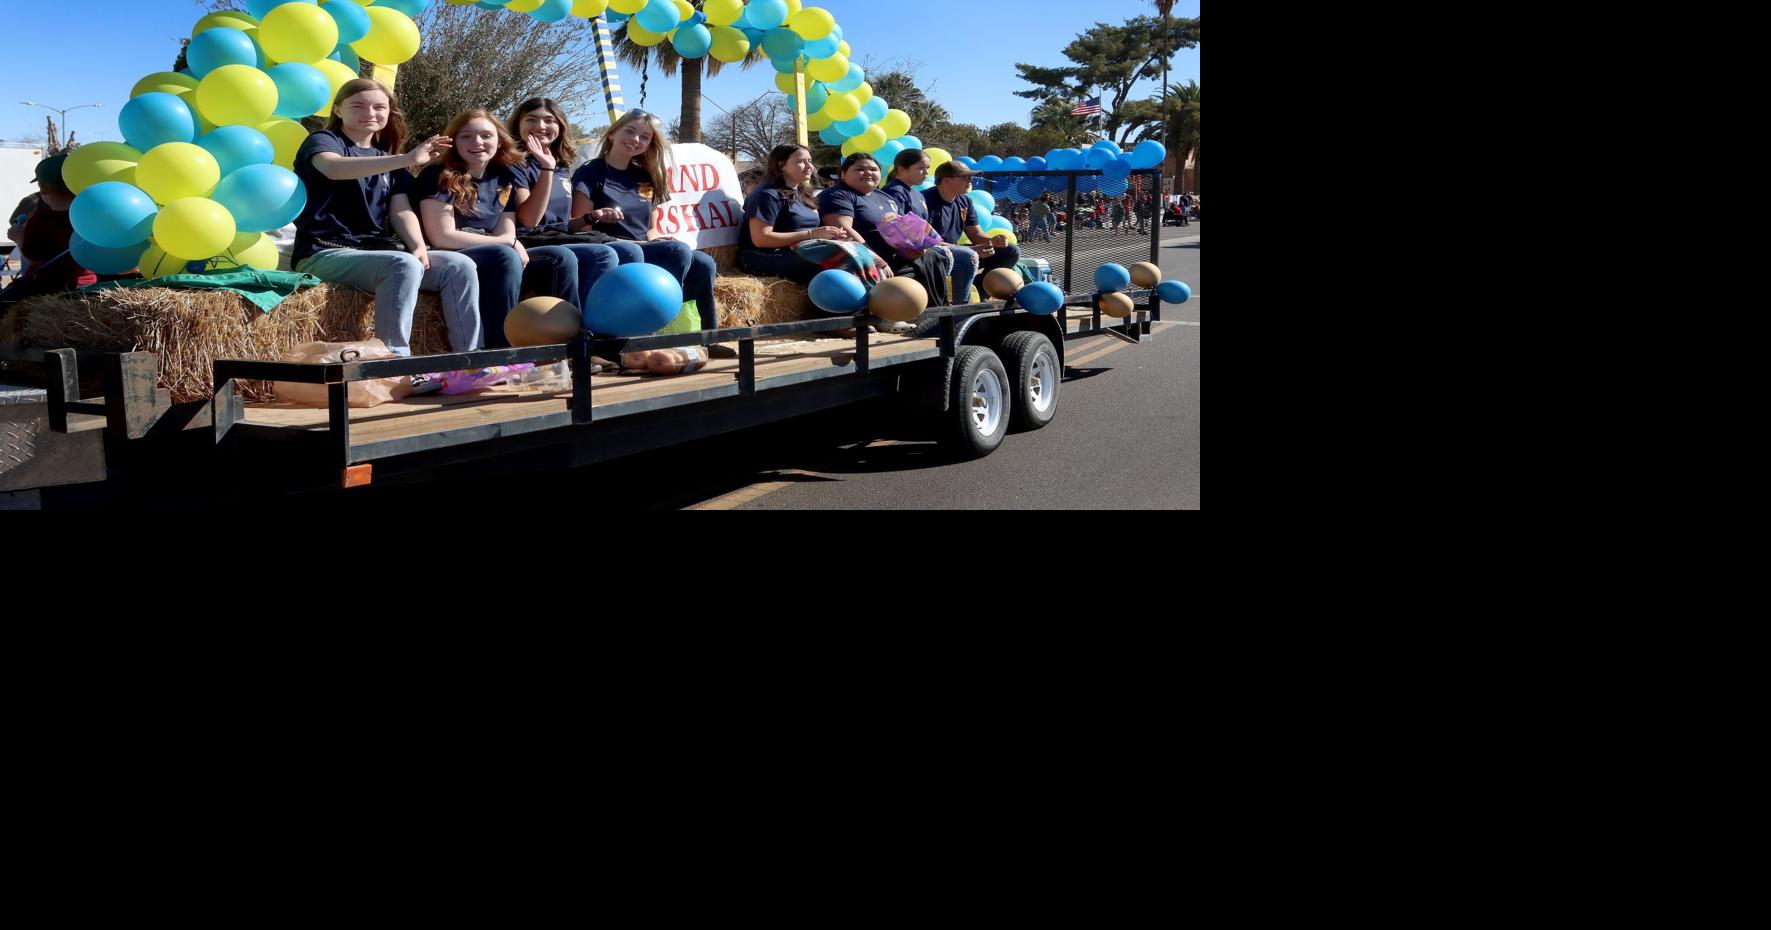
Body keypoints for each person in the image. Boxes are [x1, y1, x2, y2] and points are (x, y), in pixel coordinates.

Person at [290, 79, 482, 360]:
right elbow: (332, 168)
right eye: (358, 106)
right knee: (401, 264)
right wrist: (407, 159)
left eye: (379, 107)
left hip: (374, 254)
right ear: (338, 110)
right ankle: (395, 361)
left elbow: (401, 210)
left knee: (459, 265)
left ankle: (469, 361)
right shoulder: (323, 142)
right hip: (324, 252)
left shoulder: (388, 160)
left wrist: (418, 245)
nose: (370, 112)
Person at [569, 109, 719, 333]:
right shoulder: (590, 172)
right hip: (609, 246)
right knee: (676, 251)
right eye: (629, 131)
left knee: (703, 263)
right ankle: (664, 327)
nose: (635, 140)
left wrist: (658, 238)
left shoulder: (647, 176)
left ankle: (708, 336)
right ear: (612, 134)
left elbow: (651, 228)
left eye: (644, 137)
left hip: (643, 245)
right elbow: (582, 228)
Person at [506, 97, 630, 325]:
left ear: (560, 126)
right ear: (518, 126)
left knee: (628, 251)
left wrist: (590, 217)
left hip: (553, 237)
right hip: (526, 242)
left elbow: (559, 225)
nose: (541, 126)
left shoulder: (561, 165)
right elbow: (530, 221)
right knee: (601, 254)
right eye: (531, 119)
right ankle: (585, 332)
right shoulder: (513, 164)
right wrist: (546, 168)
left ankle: (623, 328)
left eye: (549, 120)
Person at [414, 109, 531, 349]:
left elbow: (506, 232)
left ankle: (564, 346)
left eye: (486, 136)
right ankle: (501, 349)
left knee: (561, 258)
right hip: (440, 253)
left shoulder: (503, 177)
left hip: (484, 249)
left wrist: (510, 241)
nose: (477, 142)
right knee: (504, 256)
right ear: (454, 142)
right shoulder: (439, 174)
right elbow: (442, 237)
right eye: (466, 136)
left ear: (499, 141)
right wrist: (509, 243)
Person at [736, 143, 847, 284]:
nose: (809, 166)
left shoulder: (802, 194)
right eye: (801, 161)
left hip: (797, 250)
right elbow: (761, 239)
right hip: (762, 256)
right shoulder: (767, 195)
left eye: (810, 161)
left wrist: (831, 235)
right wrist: (812, 234)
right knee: (834, 263)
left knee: (854, 253)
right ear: (781, 165)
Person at [0, 154, 97, 309]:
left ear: (43, 187)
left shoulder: (40, 221)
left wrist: (18, 237)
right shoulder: (91, 216)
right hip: (89, 284)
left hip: (49, 287)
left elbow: (35, 260)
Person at [922, 161, 1020, 305]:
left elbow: (975, 234)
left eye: (970, 177)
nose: (970, 180)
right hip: (933, 255)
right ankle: (960, 307)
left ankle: (980, 290)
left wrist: (992, 241)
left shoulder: (965, 201)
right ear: (947, 180)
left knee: (1010, 251)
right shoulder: (924, 200)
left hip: (958, 253)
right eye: (965, 177)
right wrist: (972, 250)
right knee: (967, 255)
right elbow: (927, 241)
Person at [881, 149, 931, 222]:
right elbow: (896, 225)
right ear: (901, 169)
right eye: (921, 168)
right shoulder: (894, 191)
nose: (926, 172)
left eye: (927, 168)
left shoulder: (919, 195)